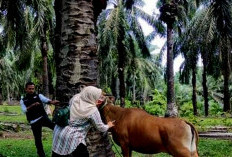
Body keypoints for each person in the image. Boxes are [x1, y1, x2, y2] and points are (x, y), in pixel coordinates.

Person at [52, 86, 115, 157]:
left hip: (58, 131)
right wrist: (108, 125)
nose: (99, 99)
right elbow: (100, 127)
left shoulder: (75, 98)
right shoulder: (92, 110)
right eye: (98, 97)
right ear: (92, 96)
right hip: (74, 137)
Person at [20, 81, 59, 157]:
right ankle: (41, 155)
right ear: (26, 89)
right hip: (34, 121)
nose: (31, 90)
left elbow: (46, 100)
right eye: (30, 89)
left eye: (33, 88)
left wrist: (53, 102)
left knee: (56, 128)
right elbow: (24, 110)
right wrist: (33, 105)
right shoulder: (23, 100)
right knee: (38, 140)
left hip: (42, 117)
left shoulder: (39, 96)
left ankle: (59, 149)